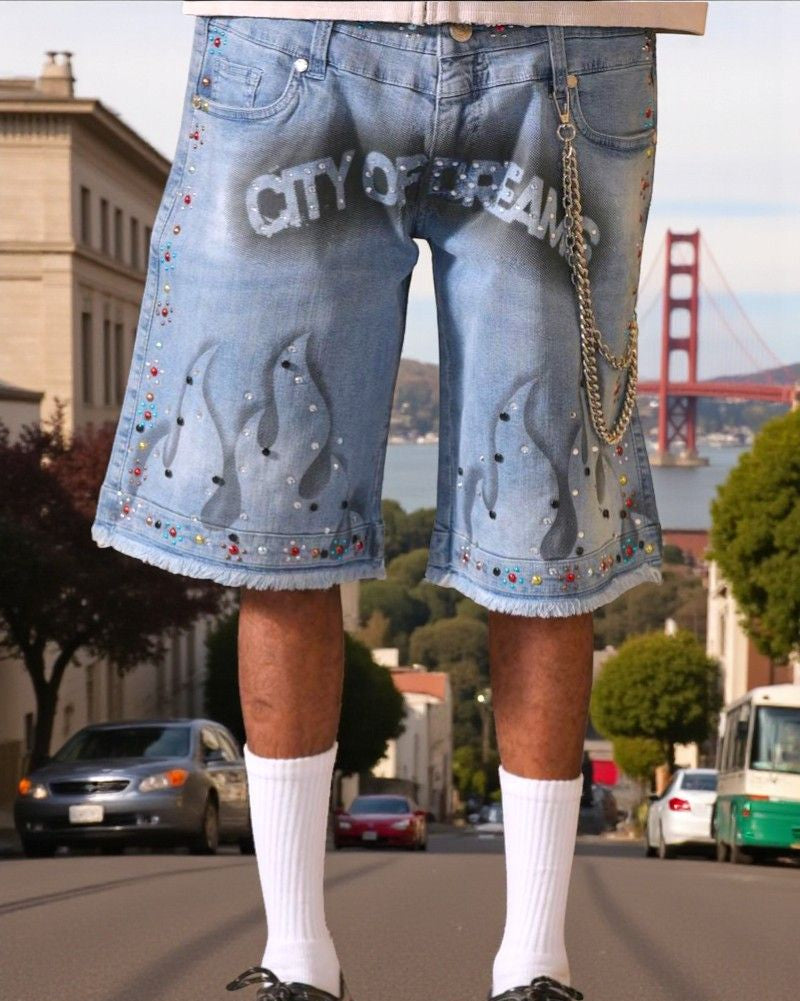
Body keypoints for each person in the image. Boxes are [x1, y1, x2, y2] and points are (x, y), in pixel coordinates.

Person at [90, 3, 708, 999]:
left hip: (564, 41)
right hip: (300, 39)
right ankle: (296, 956)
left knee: (545, 523)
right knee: (272, 515)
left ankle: (535, 963)